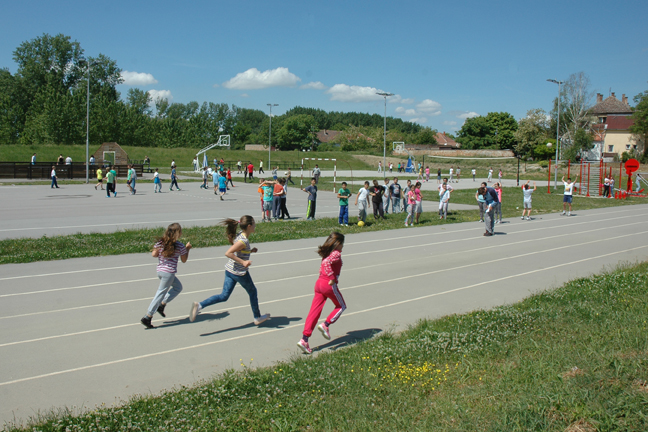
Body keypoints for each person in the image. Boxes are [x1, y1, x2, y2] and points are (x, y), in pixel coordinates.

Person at [189, 216, 270, 326]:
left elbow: (239, 250)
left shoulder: (240, 234)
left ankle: (199, 305)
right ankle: (257, 317)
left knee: (224, 296)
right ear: (249, 226)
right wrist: (243, 262)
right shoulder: (243, 240)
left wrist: (250, 251)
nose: (256, 226)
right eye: (254, 224)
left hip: (230, 271)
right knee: (253, 292)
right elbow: (228, 253)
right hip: (240, 273)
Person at [297, 232, 347, 354]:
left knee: (314, 311)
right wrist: (332, 278)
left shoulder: (327, 253)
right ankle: (326, 324)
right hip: (328, 284)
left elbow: (323, 264)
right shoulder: (336, 253)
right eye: (342, 244)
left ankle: (304, 340)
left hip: (319, 283)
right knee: (341, 306)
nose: (343, 247)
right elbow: (326, 264)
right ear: (338, 244)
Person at [141, 223, 191, 329]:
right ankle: (148, 316)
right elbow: (184, 260)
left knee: (178, 287)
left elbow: (154, 255)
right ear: (178, 233)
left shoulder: (160, 243)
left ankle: (162, 304)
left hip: (160, 271)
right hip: (169, 273)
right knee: (160, 293)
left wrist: (160, 250)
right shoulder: (180, 245)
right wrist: (187, 249)